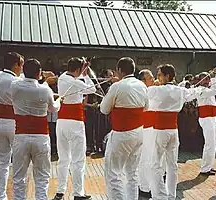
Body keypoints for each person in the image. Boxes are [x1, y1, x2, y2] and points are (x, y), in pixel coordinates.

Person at [148, 64, 202, 200]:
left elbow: (143, 95)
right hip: (173, 130)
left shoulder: (156, 90)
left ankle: (159, 196)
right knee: (172, 165)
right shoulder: (181, 91)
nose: (158, 77)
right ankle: (171, 195)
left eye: (159, 74)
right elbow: (194, 92)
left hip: (160, 130)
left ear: (167, 76)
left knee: (156, 164)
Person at [10, 59, 61, 200]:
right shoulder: (45, 89)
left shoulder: (15, 86)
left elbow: (20, 79)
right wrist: (58, 101)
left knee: (19, 178)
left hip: (21, 136)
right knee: (42, 177)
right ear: (38, 72)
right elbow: (53, 109)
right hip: (41, 137)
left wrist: (41, 77)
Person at [100, 57, 148, 200]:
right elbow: (146, 107)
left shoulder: (117, 86)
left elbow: (104, 109)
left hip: (122, 133)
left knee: (113, 173)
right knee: (132, 172)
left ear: (120, 70)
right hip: (138, 132)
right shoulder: (142, 85)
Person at [53, 57, 96, 200]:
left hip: (61, 122)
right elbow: (93, 89)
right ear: (78, 69)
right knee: (78, 159)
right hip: (75, 122)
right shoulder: (77, 81)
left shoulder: (62, 78)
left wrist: (81, 71)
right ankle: (78, 192)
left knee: (63, 158)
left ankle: (60, 191)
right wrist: (86, 74)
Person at [0, 52, 24, 200]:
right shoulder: (17, 81)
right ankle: (18, 196)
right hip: (13, 122)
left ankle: (1, 196)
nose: (22, 68)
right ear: (16, 65)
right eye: (21, 65)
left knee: (2, 161)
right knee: (19, 161)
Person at [197, 67, 216, 175]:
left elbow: (214, 89)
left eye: (208, 79)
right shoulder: (201, 90)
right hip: (206, 118)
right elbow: (215, 90)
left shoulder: (207, 89)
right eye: (206, 79)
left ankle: (209, 165)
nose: (208, 81)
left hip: (212, 117)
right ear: (201, 80)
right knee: (209, 143)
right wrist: (214, 78)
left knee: (214, 142)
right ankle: (205, 168)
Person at [137, 69, 156, 197]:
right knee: (146, 158)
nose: (154, 80)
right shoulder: (145, 91)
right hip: (145, 128)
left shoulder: (150, 90)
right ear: (143, 80)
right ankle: (144, 187)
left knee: (145, 158)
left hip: (149, 127)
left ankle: (141, 184)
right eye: (151, 78)